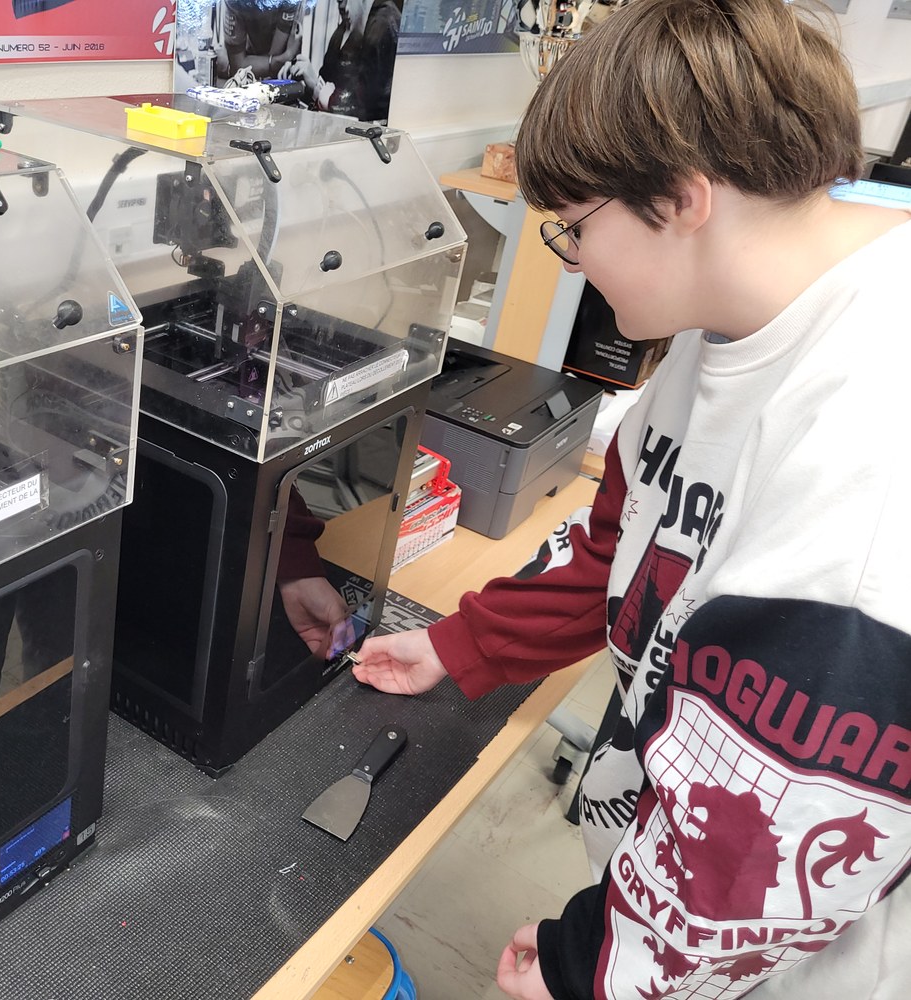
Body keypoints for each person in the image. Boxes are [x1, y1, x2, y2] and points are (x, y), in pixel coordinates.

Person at [351, 0, 911, 996]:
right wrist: (460, 643)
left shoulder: (866, 448)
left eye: (573, 229)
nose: (569, 258)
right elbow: (635, 542)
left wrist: (589, 970)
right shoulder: (735, 314)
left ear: (683, 198)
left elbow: (765, 841)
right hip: (663, 853)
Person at [281, 0, 401, 123]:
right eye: (339, 1)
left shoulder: (383, 24)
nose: (342, 7)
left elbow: (363, 108)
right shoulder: (345, 28)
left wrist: (317, 87)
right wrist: (303, 80)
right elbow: (328, 84)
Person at [214, 0, 303, 86]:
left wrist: (284, 58)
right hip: (251, 60)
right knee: (221, 63)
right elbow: (238, 66)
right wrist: (287, 55)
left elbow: (276, 65)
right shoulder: (234, 2)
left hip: (284, 70)